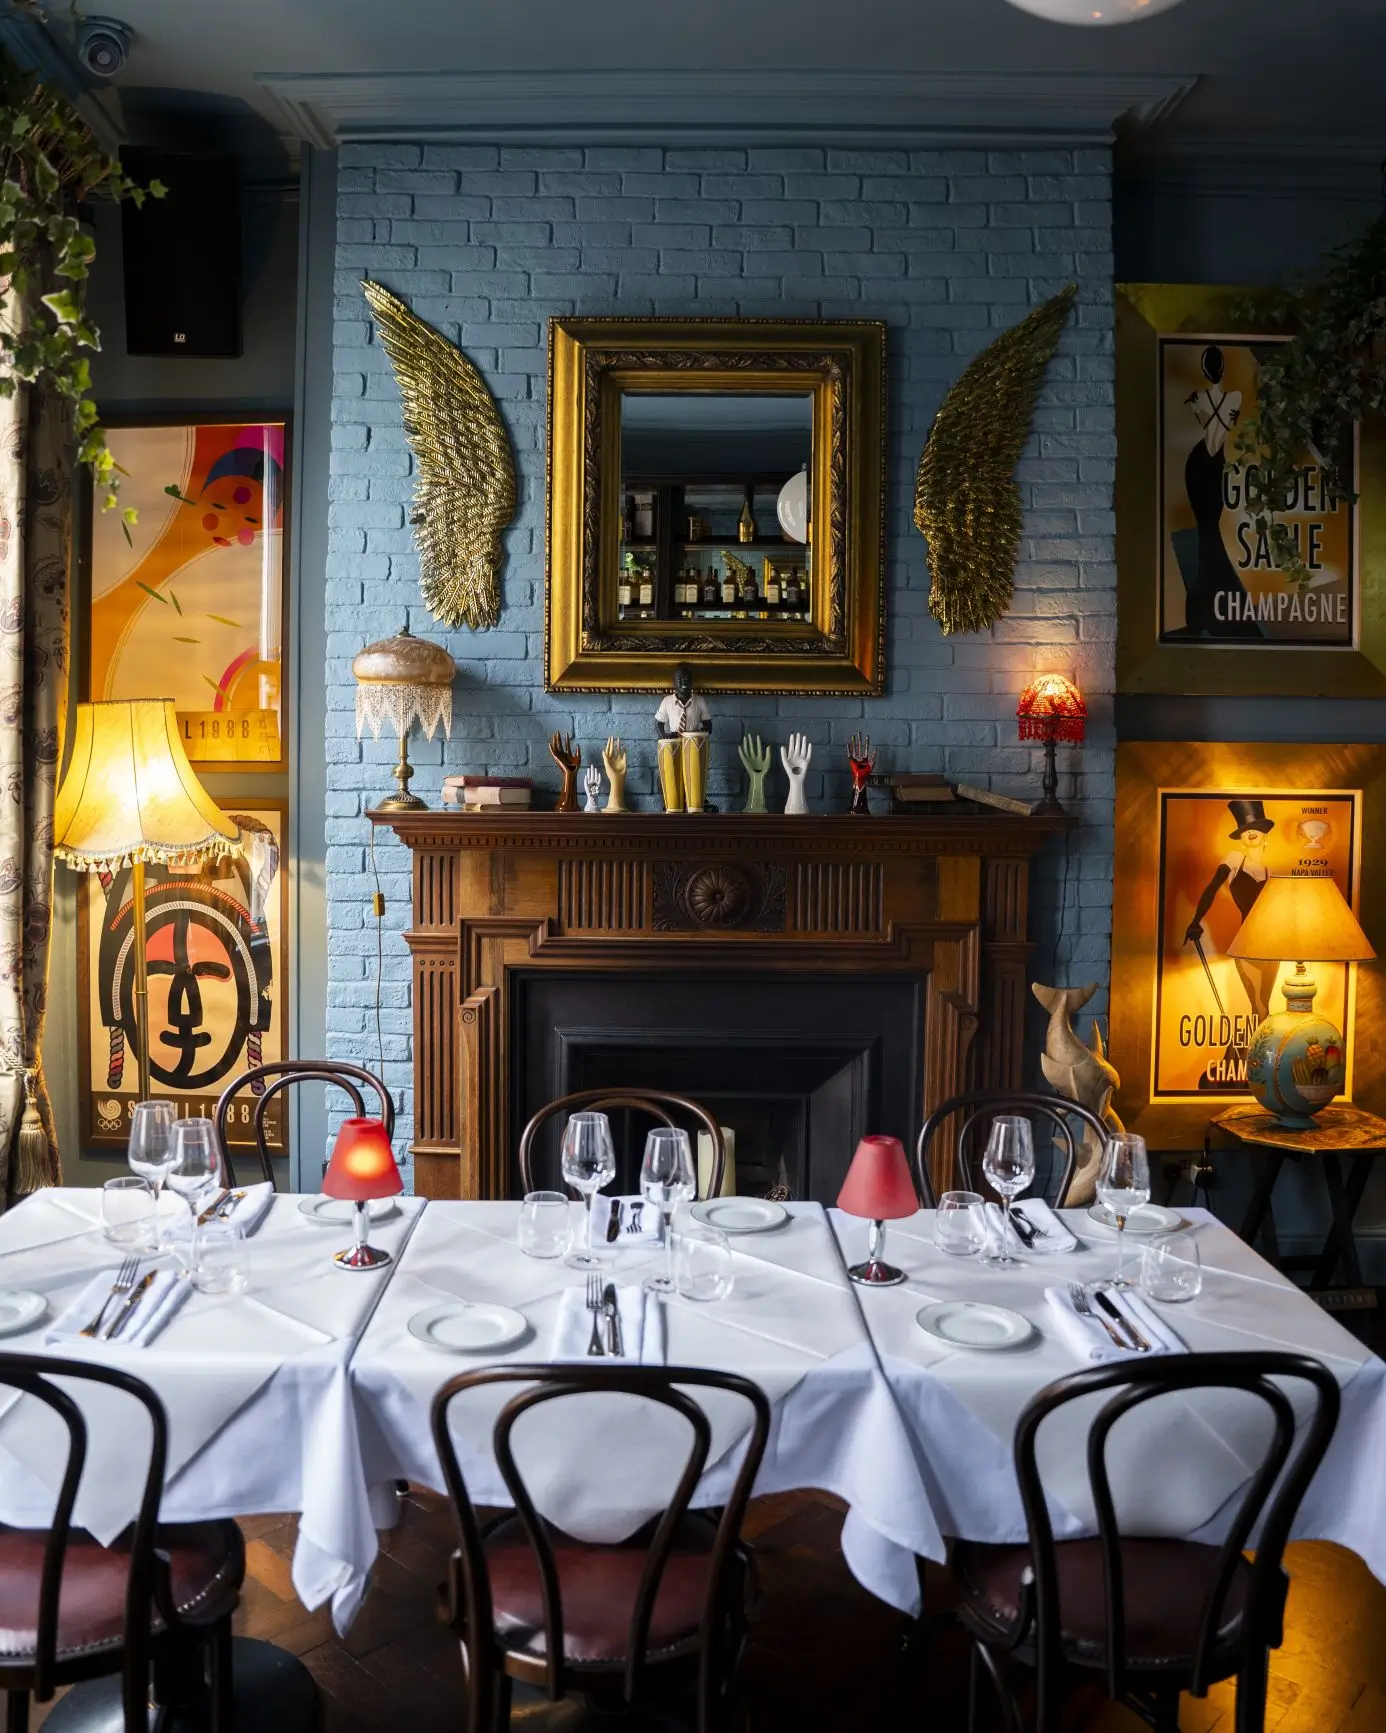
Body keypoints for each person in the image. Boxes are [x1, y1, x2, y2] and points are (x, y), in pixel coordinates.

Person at [1181, 346, 1258, 639]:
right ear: (1222, 370)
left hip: (1202, 461)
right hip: (1211, 463)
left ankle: (1206, 608)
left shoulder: (1200, 397)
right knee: (1207, 530)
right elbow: (1217, 437)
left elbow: (1208, 431)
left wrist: (1199, 408)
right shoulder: (1234, 397)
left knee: (1208, 530)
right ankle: (1208, 608)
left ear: (1204, 370)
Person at [1185, 798, 1275, 1024]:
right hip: (1245, 943)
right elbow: (1212, 888)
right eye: (1245, 830)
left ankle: (1259, 1055)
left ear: (1265, 836)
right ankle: (1254, 1056)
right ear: (1242, 839)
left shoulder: (1271, 871)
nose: (1251, 833)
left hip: (1273, 946)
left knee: (1265, 1007)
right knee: (1259, 1007)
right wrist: (1196, 921)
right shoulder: (1235, 860)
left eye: (1256, 828)